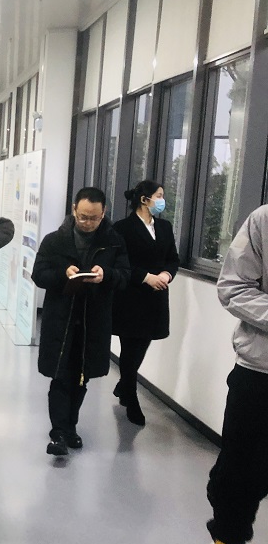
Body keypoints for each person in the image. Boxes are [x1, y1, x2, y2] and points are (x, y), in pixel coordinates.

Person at [189, 205, 268, 544]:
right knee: (238, 468)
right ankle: (226, 542)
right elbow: (234, 287)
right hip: (260, 372)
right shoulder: (264, 221)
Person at [31, 187, 129, 457]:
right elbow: (39, 274)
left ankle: (70, 427)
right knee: (60, 375)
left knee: (81, 377)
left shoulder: (114, 242)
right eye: (83, 216)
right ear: (74, 209)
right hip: (61, 319)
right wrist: (63, 274)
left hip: (93, 320)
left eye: (93, 218)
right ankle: (59, 432)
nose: (87, 222)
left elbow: (125, 275)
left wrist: (106, 274)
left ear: (103, 213)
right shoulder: (55, 241)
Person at [111, 180, 180, 426]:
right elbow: (121, 262)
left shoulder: (164, 227)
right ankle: (131, 398)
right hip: (131, 297)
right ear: (144, 199)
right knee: (130, 349)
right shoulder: (122, 228)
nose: (162, 200)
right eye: (159, 195)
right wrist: (146, 277)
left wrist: (166, 275)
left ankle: (123, 385)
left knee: (142, 346)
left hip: (156, 297)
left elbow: (173, 258)